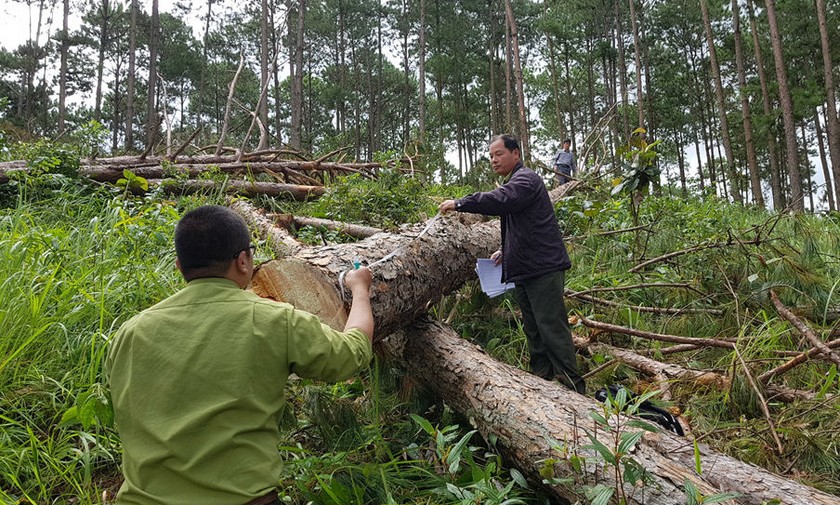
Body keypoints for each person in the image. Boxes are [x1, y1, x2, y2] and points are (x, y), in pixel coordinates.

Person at [106, 205, 375, 505]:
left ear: (180, 267)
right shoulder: (274, 320)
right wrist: (360, 290)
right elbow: (352, 355)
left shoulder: (129, 333)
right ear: (243, 261)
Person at [439, 134, 585, 394]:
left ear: (515, 154)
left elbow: (501, 200)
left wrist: (461, 203)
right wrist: (506, 251)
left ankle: (572, 388)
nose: (494, 160)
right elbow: (524, 227)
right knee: (534, 331)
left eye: (499, 154)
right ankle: (543, 381)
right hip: (527, 269)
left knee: (550, 327)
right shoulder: (518, 182)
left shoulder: (525, 180)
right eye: (491, 156)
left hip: (542, 269)